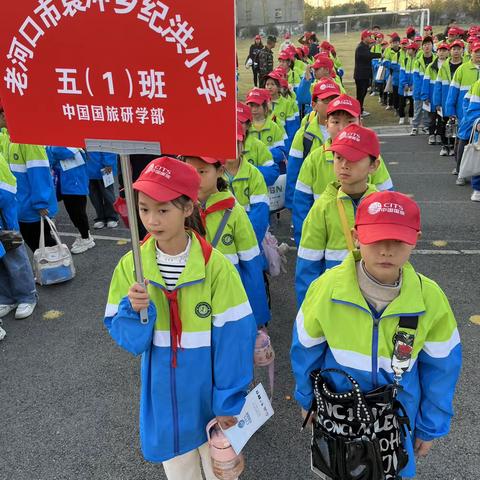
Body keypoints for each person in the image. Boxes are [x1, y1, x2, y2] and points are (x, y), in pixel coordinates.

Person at [291, 190, 462, 480]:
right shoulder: (327, 289)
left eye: (398, 240)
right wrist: (308, 400)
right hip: (340, 418)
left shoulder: (429, 298)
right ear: (357, 236)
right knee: (339, 470)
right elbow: (305, 350)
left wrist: (429, 426)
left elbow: (442, 369)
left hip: (397, 424)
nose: (386, 249)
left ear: (415, 240)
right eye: (376, 237)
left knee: (395, 472)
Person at [104, 156, 256, 479]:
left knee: (221, 473)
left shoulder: (217, 268)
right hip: (164, 405)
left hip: (210, 402)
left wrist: (229, 402)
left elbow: (235, 338)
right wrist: (135, 312)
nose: (152, 220)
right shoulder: (132, 266)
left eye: (163, 210)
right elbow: (130, 339)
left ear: (188, 208)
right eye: (144, 209)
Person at [295, 123, 380, 306]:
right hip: (334, 301)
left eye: (354, 159)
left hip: (376, 300)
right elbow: (307, 267)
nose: (344, 165)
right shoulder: (322, 208)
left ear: (374, 165)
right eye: (338, 157)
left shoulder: (381, 207)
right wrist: (309, 311)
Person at [292, 95, 393, 245]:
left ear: (361, 123)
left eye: (350, 121)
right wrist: (306, 240)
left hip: (367, 245)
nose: (342, 128)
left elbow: (387, 198)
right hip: (326, 241)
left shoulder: (372, 157)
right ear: (326, 124)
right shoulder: (314, 159)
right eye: (336, 122)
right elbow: (301, 205)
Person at [184, 156, 270, 328]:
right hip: (191, 296)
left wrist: (256, 317)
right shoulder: (181, 209)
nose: (196, 178)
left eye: (202, 171)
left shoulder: (234, 211)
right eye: (190, 172)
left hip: (229, 297)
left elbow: (251, 264)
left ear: (220, 171)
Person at [0, 105, 57, 253]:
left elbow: (39, 174)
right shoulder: (7, 137)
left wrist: (41, 203)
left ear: (5, 115)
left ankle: (58, 269)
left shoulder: (29, 139)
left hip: (33, 208)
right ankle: (46, 270)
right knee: (29, 242)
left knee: (41, 242)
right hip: (18, 207)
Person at [286, 78, 341, 210]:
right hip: (313, 209)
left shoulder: (350, 133)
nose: (332, 105)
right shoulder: (304, 135)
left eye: (335, 100)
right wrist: (293, 204)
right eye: (326, 101)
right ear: (314, 104)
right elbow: (294, 172)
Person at [0, 151, 37, 322]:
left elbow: (7, 188)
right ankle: (7, 298)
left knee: (15, 258)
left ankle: (27, 296)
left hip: (4, 219)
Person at [224, 124, 270, 247]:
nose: (231, 148)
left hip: (251, 241)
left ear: (243, 144)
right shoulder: (211, 175)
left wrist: (246, 243)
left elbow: (259, 216)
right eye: (226, 142)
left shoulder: (254, 175)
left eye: (236, 143)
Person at [46, 147, 95, 255]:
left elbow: (59, 152)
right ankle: (85, 235)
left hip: (75, 182)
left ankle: (86, 238)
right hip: (67, 182)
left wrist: (50, 149)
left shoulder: (73, 140)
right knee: (73, 212)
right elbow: (51, 156)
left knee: (78, 212)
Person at [446, 41, 480, 184]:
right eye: (476, 52)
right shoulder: (462, 69)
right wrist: (450, 110)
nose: (479, 55)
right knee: (464, 139)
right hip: (466, 113)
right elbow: (452, 91)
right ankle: (460, 171)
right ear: (470, 53)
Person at [434, 40, 465, 157]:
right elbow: (438, 86)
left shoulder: (465, 66)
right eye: (453, 49)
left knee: (457, 123)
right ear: (450, 51)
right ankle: (444, 145)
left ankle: (453, 146)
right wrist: (437, 102)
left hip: (460, 101)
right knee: (444, 123)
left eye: (458, 49)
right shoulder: (444, 67)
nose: (456, 51)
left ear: (462, 50)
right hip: (445, 100)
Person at [237, 102, 279, 187]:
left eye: (240, 122)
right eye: (232, 121)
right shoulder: (219, 146)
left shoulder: (258, 146)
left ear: (249, 125)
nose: (236, 125)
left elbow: (272, 173)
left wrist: (245, 172)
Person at [245, 88, 287, 170]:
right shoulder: (244, 127)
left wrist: (262, 155)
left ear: (265, 106)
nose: (254, 109)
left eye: (257, 106)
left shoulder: (274, 127)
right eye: (251, 105)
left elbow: (281, 151)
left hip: (269, 170)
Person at [422, 43, 450, 148]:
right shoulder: (431, 66)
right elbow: (425, 82)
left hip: (443, 95)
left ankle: (439, 134)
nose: (442, 53)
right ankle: (431, 135)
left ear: (448, 52)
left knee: (442, 117)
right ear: (437, 52)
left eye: (444, 50)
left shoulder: (448, 65)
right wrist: (425, 96)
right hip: (432, 95)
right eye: (440, 50)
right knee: (432, 117)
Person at [86, 150, 119, 230]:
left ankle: (112, 216)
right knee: (94, 196)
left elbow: (107, 146)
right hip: (88, 167)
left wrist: (108, 163)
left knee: (107, 194)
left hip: (103, 166)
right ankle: (100, 217)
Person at [354, 30, 382, 116]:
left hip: (364, 74)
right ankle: (358, 112)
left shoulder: (364, 46)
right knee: (360, 94)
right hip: (361, 75)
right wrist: (380, 55)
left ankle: (360, 110)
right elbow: (368, 55)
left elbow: (368, 52)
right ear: (364, 37)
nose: (370, 38)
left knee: (363, 93)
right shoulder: (361, 47)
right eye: (369, 36)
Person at [411, 36, 435, 135]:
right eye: (425, 45)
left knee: (427, 110)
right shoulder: (418, 61)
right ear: (422, 47)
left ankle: (426, 126)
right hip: (419, 90)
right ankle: (415, 127)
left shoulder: (436, 60)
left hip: (431, 89)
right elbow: (416, 78)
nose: (427, 47)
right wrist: (421, 91)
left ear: (432, 46)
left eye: (429, 44)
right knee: (417, 109)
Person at [398, 43, 417, 126]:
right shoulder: (404, 61)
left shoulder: (417, 61)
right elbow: (402, 74)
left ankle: (411, 118)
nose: (408, 50)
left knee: (412, 103)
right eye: (408, 49)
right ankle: (401, 117)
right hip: (403, 87)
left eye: (410, 49)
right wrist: (404, 84)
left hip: (413, 87)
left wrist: (414, 85)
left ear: (414, 51)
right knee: (401, 103)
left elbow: (417, 75)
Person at [383, 35, 402, 112]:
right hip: (391, 73)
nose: (395, 44)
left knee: (398, 90)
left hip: (401, 74)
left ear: (399, 43)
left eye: (397, 42)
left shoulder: (402, 51)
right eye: (393, 42)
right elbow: (385, 62)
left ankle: (397, 105)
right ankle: (390, 104)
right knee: (391, 90)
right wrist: (395, 67)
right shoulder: (389, 50)